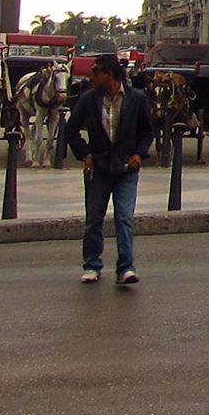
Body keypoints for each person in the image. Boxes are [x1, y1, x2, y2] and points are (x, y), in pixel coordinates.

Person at [63, 54, 156, 286]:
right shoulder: (88, 100)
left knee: (124, 218)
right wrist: (85, 154)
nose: (91, 76)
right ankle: (92, 265)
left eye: (96, 72)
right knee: (94, 218)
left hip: (126, 168)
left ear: (110, 74)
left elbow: (147, 131)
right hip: (99, 168)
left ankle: (126, 267)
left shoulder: (135, 99)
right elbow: (71, 130)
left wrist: (139, 153)